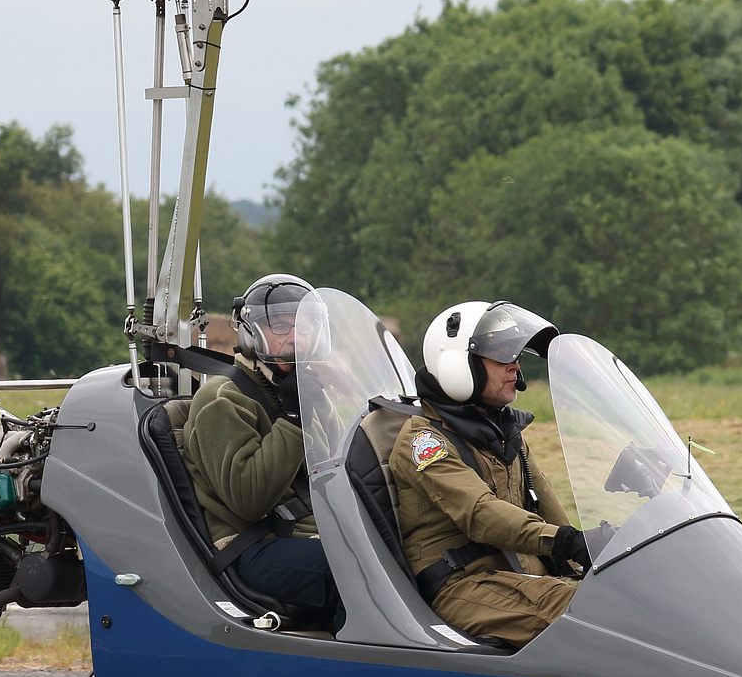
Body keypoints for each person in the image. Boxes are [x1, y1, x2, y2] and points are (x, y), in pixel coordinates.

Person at [391, 301, 596, 648]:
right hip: (464, 586)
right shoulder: (424, 441)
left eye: (515, 355)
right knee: (590, 614)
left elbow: (549, 510)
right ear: (460, 365)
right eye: (501, 356)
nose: (515, 366)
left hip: (518, 576)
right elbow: (481, 515)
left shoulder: (503, 433)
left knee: (626, 596)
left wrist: (593, 547)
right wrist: (564, 541)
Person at [181, 274, 344, 631]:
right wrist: (292, 421)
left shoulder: (309, 396)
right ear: (251, 332)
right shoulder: (222, 399)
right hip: (251, 546)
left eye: (305, 327)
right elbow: (249, 498)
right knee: (353, 575)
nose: (295, 339)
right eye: (282, 327)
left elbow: (338, 475)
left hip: (308, 535)